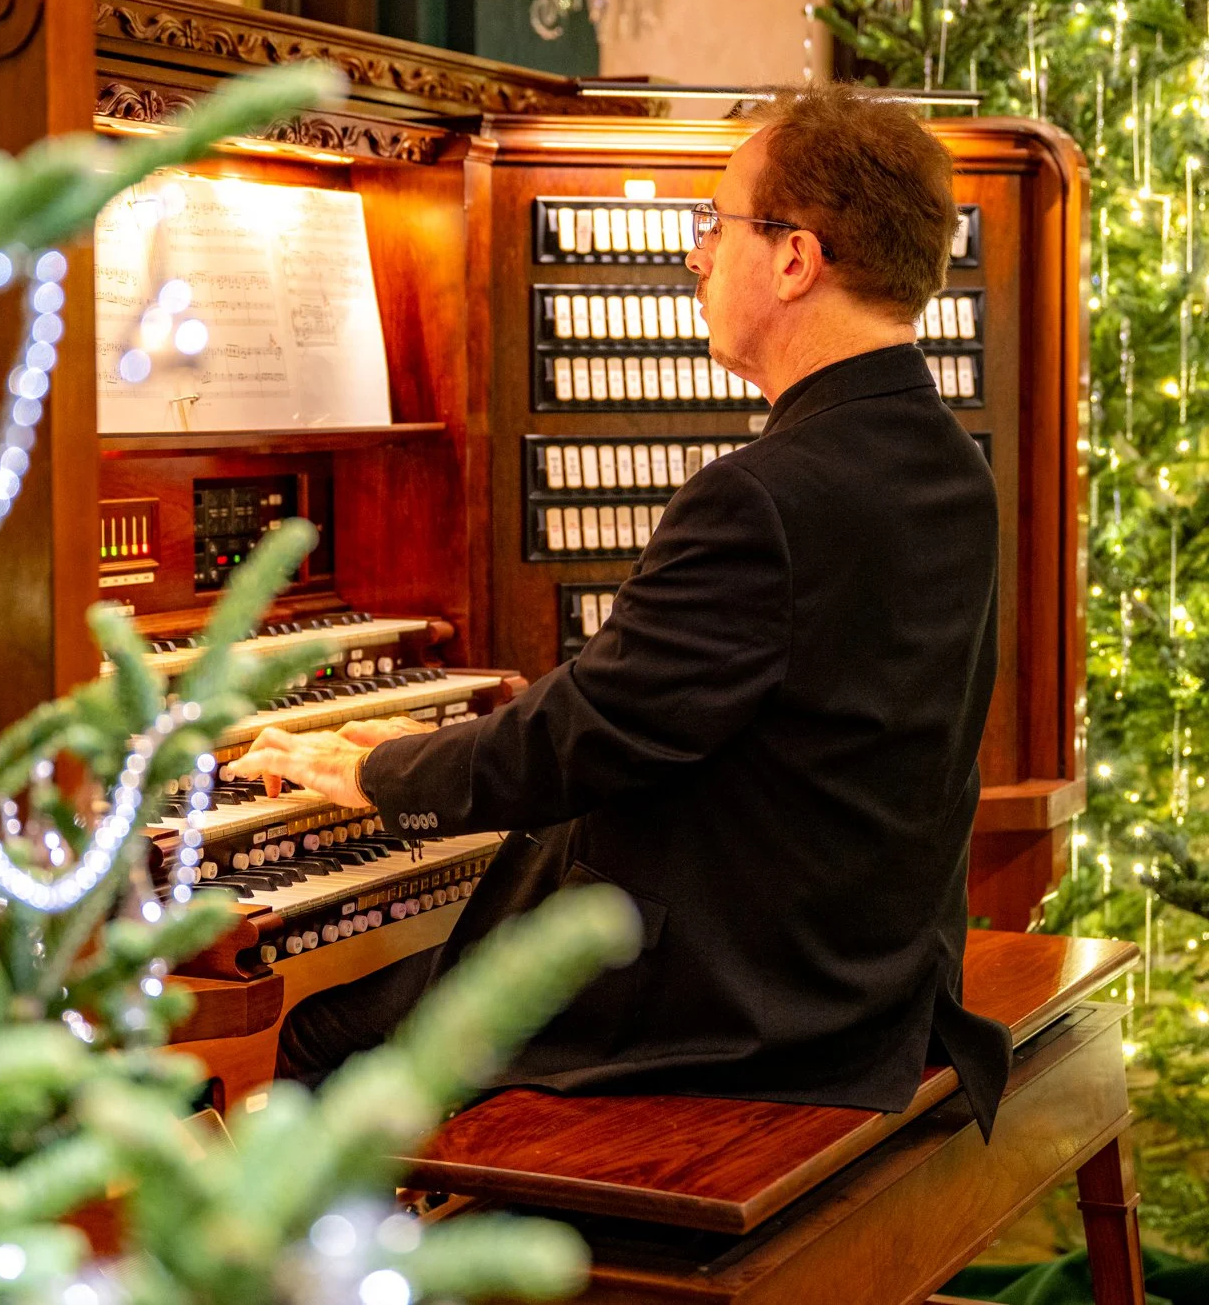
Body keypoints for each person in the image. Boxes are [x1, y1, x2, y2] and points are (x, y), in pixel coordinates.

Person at [233, 82, 1011, 1132]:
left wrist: (369, 766)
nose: (697, 255)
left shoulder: (763, 496)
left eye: (717, 224)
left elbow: (582, 739)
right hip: (860, 972)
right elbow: (645, 706)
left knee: (325, 1036)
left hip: (735, 1007)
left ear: (795, 258)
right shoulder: (948, 465)